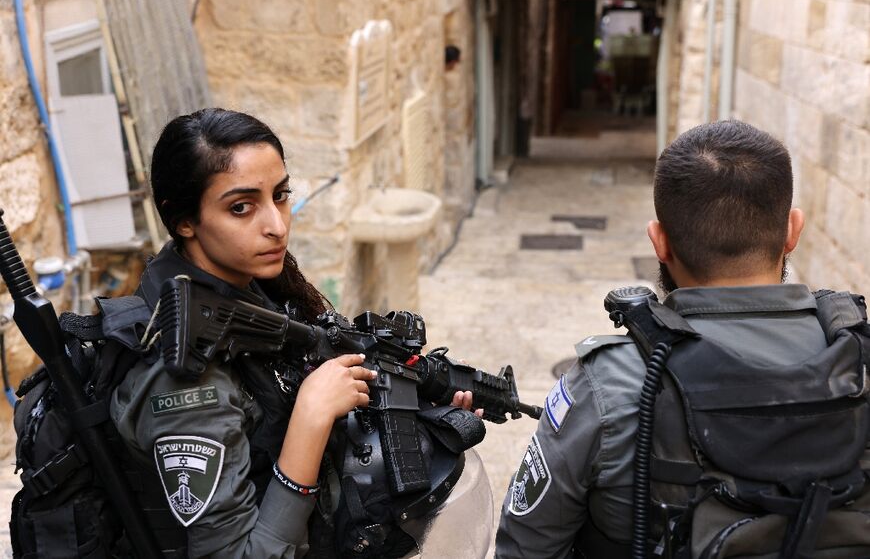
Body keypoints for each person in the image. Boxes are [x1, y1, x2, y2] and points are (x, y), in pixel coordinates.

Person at [110, 108, 478, 557]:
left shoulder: (248, 294)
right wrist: (311, 416)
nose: (277, 226)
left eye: (280, 196)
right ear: (184, 220)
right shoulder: (186, 381)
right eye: (241, 208)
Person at [494, 120, 867, 557]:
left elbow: (527, 547)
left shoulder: (611, 383)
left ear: (660, 242)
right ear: (792, 231)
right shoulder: (857, 358)